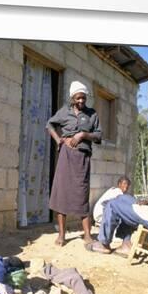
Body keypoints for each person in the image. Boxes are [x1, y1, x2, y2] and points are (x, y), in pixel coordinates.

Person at [46, 81, 102, 246]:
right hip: (66, 156)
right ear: (72, 98)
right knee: (61, 193)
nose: (81, 102)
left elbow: (98, 135)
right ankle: (62, 236)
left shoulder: (92, 114)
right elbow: (49, 124)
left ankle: (87, 234)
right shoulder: (64, 112)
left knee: (81, 194)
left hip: (82, 157)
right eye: (78, 98)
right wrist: (58, 141)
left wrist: (83, 135)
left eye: (83, 98)